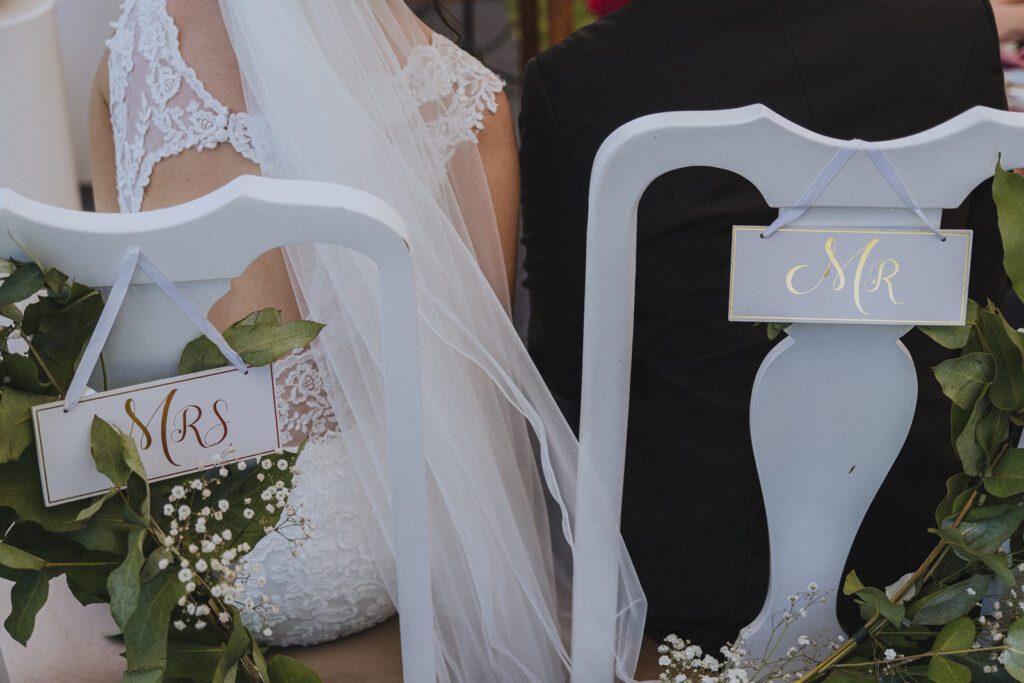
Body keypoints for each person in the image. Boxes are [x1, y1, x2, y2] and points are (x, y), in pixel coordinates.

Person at [88, 0, 646, 680]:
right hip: (375, 552)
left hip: (161, 550)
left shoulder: (132, 54)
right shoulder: (472, 105)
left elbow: (112, 337)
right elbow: (475, 405)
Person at [520, 0, 1008, 649]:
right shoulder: (954, 24)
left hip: (686, 572)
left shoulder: (578, 78)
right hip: (934, 545)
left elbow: (569, 359)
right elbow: (988, 295)